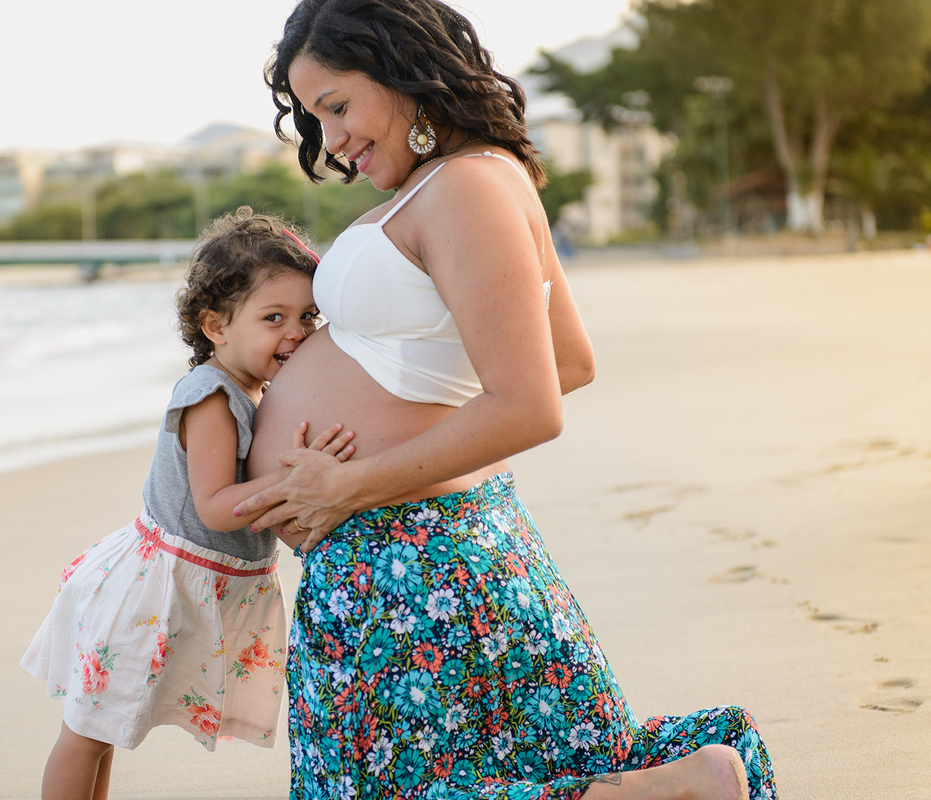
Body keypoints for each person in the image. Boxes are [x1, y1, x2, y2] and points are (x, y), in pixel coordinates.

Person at [235, 1, 779, 798]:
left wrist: (348, 484)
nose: (332, 138)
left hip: (416, 563)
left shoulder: (467, 187)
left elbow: (532, 403)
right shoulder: (464, 181)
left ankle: (676, 788)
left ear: (399, 68)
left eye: (338, 106)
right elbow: (570, 361)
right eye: (316, 119)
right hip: (420, 555)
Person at [20, 209, 354, 800]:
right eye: (273, 317)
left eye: (309, 316)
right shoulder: (211, 396)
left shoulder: (259, 392)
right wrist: (298, 481)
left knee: (105, 731)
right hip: (158, 590)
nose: (297, 332)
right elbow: (216, 507)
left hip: (199, 584)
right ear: (215, 325)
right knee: (88, 733)